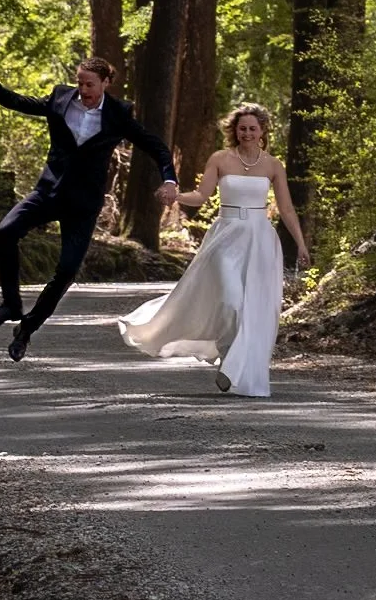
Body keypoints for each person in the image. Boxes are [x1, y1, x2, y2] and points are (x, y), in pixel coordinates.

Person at [0, 57, 179, 361]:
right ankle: (11, 306)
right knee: (6, 231)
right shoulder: (60, 97)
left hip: (83, 204)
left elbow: (155, 146)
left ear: (105, 83)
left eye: (90, 84)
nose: (83, 89)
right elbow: (26, 103)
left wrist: (169, 178)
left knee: (67, 270)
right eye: (80, 82)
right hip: (49, 191)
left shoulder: (118, 114)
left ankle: (27, 330)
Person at [118, 103, 308, 397]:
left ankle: (233, 369)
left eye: (252, 129)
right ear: (234, 130)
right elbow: (201, 196)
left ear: (262, 131)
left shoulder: (273, 165)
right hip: (227, 236)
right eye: (242, 128)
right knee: (231, 301)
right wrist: (176, 195)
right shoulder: (220, 159)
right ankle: (228, 353)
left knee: (254, 308)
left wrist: (300, 243)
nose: (247, 133)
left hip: (260, 239)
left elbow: (286, 208)